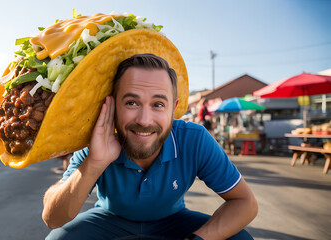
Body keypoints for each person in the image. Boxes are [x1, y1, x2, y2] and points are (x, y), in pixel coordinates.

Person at [42, 54, 257, 240]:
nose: (145, 120)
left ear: (173, 109)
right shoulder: (98, 138)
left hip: (174, 221)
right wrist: (94, 163)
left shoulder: (194, 139)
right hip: (107, 219)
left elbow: (245, 202)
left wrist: (200, 238)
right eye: (131, 103)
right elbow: (52, 218)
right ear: (114, 105)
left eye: (158, 104)